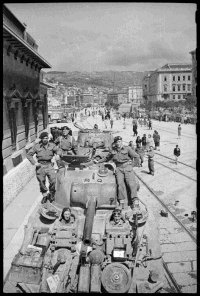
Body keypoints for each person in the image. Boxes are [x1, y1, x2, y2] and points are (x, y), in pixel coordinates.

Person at [94, 136, 140, 209]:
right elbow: (107, 158)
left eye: (119, 141)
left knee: (131, 184)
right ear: (115, 143)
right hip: (119, 169)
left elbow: (136, 156)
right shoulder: (113, 150)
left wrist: (132, 165)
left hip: (128, 168)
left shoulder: (127, 148)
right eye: (116, 142)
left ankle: (135, 201)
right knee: (119, 185)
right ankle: (121, 202)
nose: (118, 143)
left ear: (121, 141)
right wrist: (98, 161)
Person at [27, 132, 58, 203]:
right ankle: (44, 195)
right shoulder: (36, 146)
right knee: (41, 182)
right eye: (43, 138)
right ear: (41, 139)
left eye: (46, 138)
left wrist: (58, 155)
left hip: (49, 165)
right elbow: (29, 155)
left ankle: (51, 193)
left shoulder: (52, 145)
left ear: (48, 139)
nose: (45, 140)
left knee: (53, 180)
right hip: (40, 166)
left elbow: (58, 150)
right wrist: (35, 163)